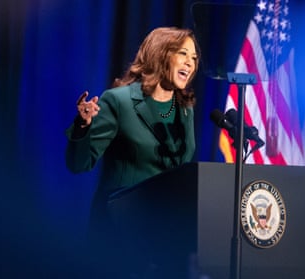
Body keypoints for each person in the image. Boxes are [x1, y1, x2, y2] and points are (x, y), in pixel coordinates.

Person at [65, 27, 200, 278]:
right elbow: (79, 163)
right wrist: (83, 126)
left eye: (194, 58)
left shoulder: (184, 110)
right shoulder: (118, 101)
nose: (190, 63)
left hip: (166, 239)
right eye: (183, 54)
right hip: (121, 233)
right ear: (161, 54)